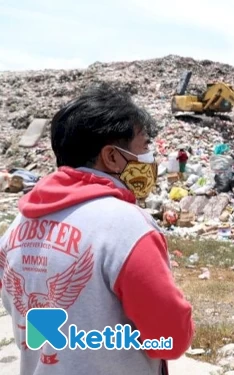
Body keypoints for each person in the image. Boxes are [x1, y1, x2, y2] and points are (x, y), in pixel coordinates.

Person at [0, 84, 194, 374]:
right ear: (112, 157)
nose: (150, 160)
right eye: (143, 148)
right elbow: (169, 340)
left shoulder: (15, 230)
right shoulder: (126, 227)